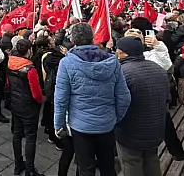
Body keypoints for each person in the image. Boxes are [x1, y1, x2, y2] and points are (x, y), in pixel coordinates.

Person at [53, 23, 130, 176]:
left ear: (73, 40)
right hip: (106, 124)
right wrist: (115, 117)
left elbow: (61, 99)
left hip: (80, 126)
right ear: (92, 38)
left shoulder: (66, 63)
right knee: (108, 165)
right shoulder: (113, 61)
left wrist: (59, 125)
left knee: (85, 168)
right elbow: (124, 97)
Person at [115, 37, 170, 176]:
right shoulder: (158, 69)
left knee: (131, 164)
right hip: (155, 129)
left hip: (130, 133)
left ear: (122, 52)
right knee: (152, 160)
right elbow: (167, 98)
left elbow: (119, 104)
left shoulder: (122, 72)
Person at [7, 39, 45, 176]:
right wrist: (41, 101)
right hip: (29, 108)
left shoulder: (10, 63)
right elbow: (36, 93)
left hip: (16, 105)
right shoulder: (30, 69)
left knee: (17, 135)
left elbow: (8, 84)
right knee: (30, 138)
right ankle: (29, 169)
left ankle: (18, 165)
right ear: (28, 51)